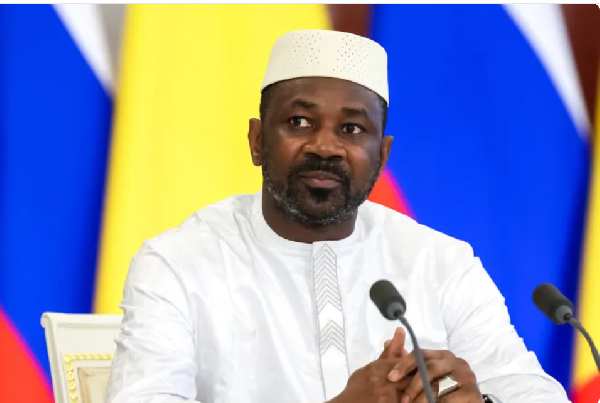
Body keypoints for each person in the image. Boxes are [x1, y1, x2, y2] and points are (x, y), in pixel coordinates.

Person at [106, 29, 570, 403]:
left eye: (351, 128)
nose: (325, 146)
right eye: (300, 123)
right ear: (257, 141)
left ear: (381, 156)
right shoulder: (179, 263)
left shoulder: (440, 263)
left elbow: (534, 392)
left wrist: (482, 402)